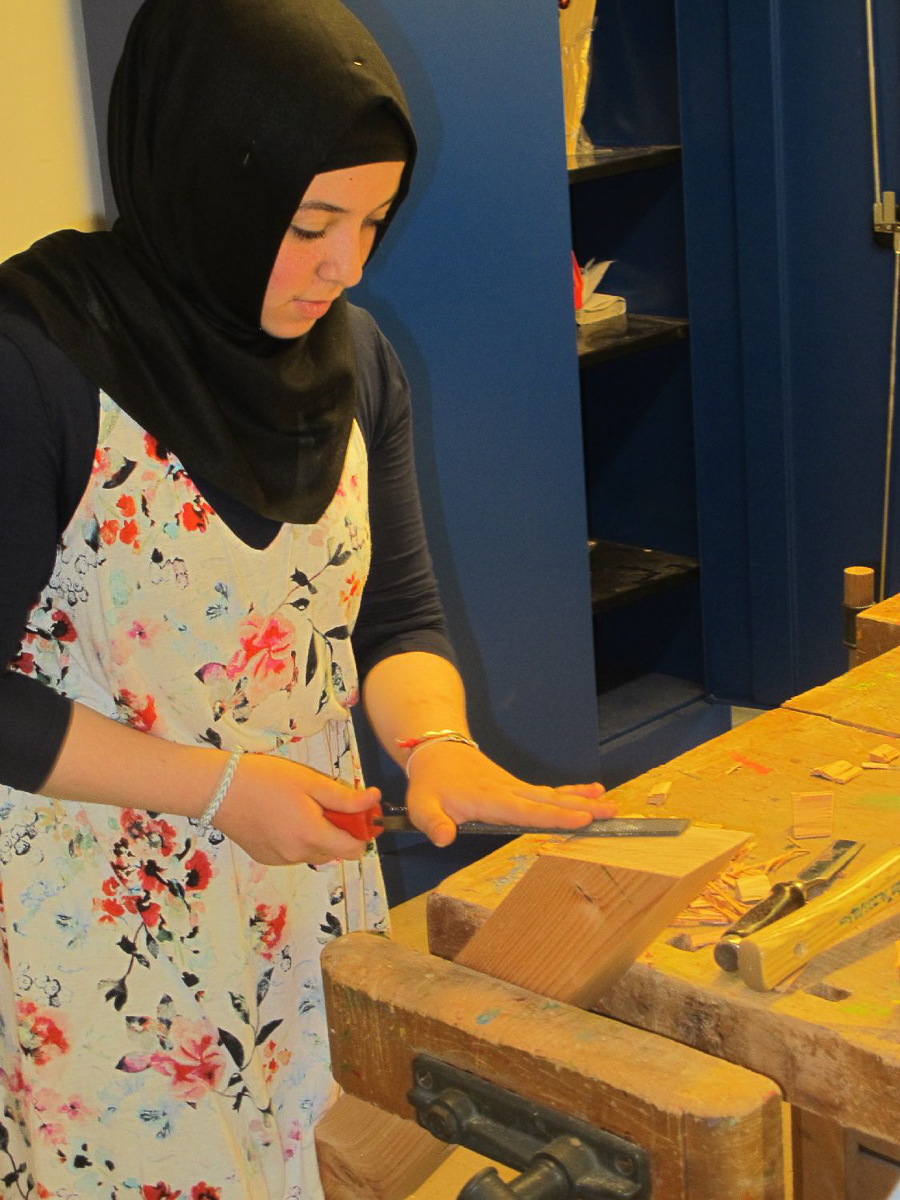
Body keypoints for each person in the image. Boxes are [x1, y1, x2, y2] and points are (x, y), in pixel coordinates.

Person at [0, 1, 610, 1195]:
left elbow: (395, 618)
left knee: (331, 1162)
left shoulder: (356, 358)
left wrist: (435, 745)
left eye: (372, 223)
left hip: (304, 888)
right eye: (311, 223)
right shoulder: (37, 362)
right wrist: (220, 790)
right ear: (207, 179)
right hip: (103, 918)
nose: (347, 266)